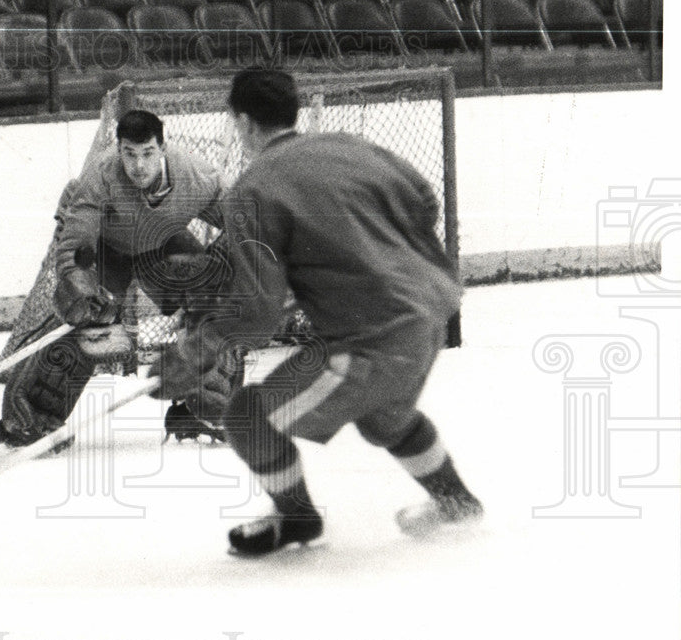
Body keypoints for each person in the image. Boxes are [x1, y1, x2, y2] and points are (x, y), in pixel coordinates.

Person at [151, 69, 483, 556]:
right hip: (431, 312)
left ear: (241, 122)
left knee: (246, 415)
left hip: (369, 339)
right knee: (384, 418)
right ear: (294, 111)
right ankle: (457, 502)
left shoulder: (253, 189)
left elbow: (259, 314)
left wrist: (197, 346)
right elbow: (423, 199)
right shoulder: (353, 147)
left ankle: (296, 517)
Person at [0, 109, 237, 448]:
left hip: (162, 240)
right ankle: (30, 419)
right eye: (129, 154)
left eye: (148, 153)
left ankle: (206, 405)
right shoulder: (101, 175)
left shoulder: (196, 175)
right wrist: (79, 282)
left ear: (162, 148)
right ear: (119, 149)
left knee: (212, 302)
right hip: (107, 247)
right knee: (86, 320)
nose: (138, 165)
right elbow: (79, 241)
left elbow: (246, 223)